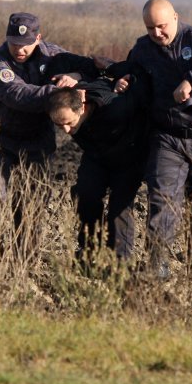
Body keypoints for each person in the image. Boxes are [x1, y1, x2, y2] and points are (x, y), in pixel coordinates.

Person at [113, 0, 192, 284]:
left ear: (175, 17)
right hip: (167, 137)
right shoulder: (142, 48)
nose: (157, 33)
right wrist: (124, 81)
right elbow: (133, 73)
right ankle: (158, 263)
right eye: (150, 27)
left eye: (162, 26)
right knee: (162, 200)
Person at [0, 12, 93, 221]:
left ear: (38, 39)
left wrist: (77, 77)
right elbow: (17, 94)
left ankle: (25, 253)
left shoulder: (53, 54)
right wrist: (59, 93)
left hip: (37, 139)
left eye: (26, 44)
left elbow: (90, 66)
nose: (19, 49)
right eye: (14, 43)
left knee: (32, 206)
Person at [45, 69, 150, 265]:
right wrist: (77, 74)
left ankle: (120, 264)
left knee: (119, 208)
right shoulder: (72, 102)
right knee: (84, 194)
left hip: (129, 158)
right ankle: (89, 252)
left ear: (82, 108)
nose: (66, 130)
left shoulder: (116, 107)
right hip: (96, 156)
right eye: (60, 126)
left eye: (68, 123)